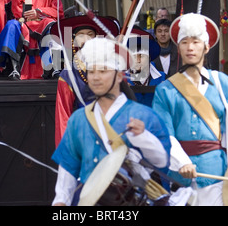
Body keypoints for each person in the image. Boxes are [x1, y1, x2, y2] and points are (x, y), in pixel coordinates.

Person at [152, 13, 228, 206]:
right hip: (180, 176)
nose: (190, 47)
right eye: (184, 42)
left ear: (207, 47)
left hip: (216, 172)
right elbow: (164, 134)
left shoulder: (223, 84)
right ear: (178, 47)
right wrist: (181, 162)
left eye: (196, 42)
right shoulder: (165, 90)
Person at [52, 37, 171, 206]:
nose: (96, 77)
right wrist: (61, 201)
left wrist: (143, 137)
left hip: (132, 200)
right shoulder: (78, 119)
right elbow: (68, 168)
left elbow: (162, 162)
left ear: (120, 76)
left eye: (103, 71)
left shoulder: (144, 115)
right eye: (91, 71)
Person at [50, 15, 120, 147]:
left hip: (111, 130)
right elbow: (63, 114)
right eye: (81, 35)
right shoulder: (68, 74)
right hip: (83, 133)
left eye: (90, 34)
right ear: (73, 40)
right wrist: (67, 149)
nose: (86, 39)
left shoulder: (111, 68)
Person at [126, 26, 166, 106]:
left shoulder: (162, 78)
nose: (137, 61)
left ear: (149, 58)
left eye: (141, 56)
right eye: (134, 57)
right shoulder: (123, 79)